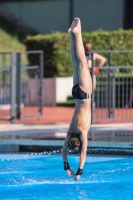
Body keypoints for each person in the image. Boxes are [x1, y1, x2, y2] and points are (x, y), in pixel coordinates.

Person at [61, 18, 92, 181]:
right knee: (74, 62)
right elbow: (63, 150)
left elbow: (84, 153)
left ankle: (77, 33)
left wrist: (79, 171)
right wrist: (66, 167)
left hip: (85, 95)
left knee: (82, 62)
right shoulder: (71, 129)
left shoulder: (82, 130)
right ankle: (72, 35)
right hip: (76, 94)